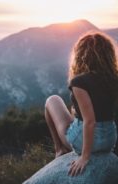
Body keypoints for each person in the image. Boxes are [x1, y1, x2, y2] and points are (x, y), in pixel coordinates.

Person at [44, 31, 118, 177]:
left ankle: (59, 149)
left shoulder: (79, 82)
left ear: (80, 55)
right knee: (76, 114)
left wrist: (85, 157)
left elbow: (90, 121)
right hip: (109, 139)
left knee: (52, 100)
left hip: (85, 141)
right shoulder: (114, 79)